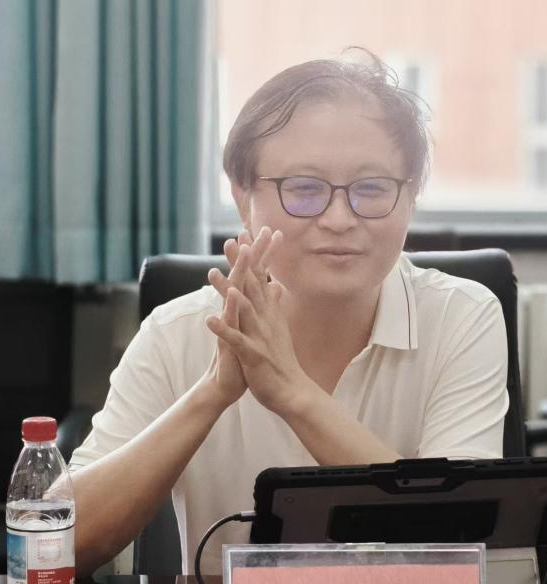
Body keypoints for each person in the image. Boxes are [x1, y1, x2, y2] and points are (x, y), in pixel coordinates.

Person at [67, 49, 509, 576]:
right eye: (304, 189)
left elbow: (455, 552)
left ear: (410, 196)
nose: (340, 219)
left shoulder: (462, 317)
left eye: (371, 188)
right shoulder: (177, 332)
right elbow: (57, 546)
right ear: (242, 197)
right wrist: (212, 392)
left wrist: (292, 391)